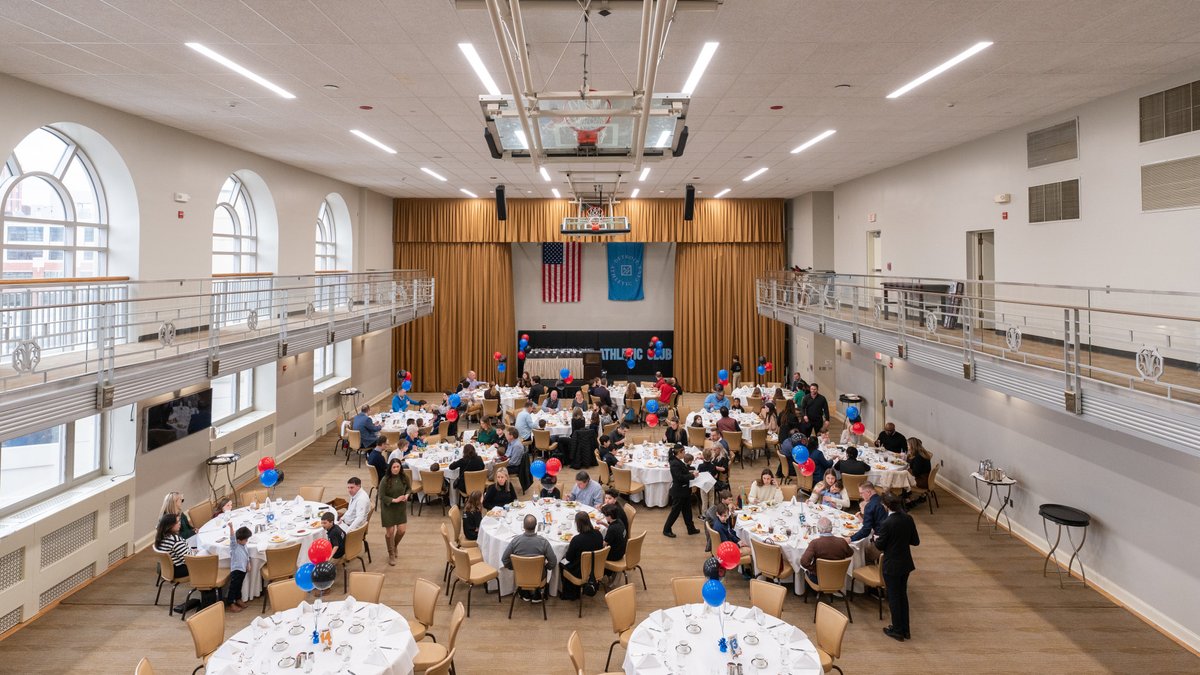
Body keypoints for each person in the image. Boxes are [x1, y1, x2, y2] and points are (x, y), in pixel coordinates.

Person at [875, 493, 920, 641]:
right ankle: (906, 629)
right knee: (902, 595)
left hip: (892, 565)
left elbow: (880, 545)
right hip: (905, 563)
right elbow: (915, 541)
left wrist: (876, 539)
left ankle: (897, 630)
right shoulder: (908, 518)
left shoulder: (887, 523)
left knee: (894, 597)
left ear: (886, 506)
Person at [502, 514, 558, 601]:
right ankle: (537, 595)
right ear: (536, 526)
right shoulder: (543, 542)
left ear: (523, 526)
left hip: (521, 576)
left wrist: (514, 568)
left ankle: (524, 594)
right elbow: (553, 562)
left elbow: (504, 559)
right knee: (543, 570)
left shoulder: (515, 541)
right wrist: (545, 567)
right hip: (539, 577)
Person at [560, 511, 605, 600]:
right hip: (596, 567)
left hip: (580, 571)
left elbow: (569, 558)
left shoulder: (577, 540)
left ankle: (570, 593)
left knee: (560, 562)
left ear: (578, 525)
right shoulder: (598, 534)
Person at [378, 458, 412, 566]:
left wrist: (406, 495)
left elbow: (409, 489)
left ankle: (394, 545)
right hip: (388, 507)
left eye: (398, 467)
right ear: (390, 468)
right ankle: (391, 554)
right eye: (394, 467)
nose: (396, 469)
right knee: (390, 532)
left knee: (401, 531)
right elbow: (382, 496)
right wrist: (394, 500)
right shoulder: (385, 479)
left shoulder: (404, 477)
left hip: (400, 507)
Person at [799, 517, 854, 583]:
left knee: (803, 571)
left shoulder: (814, 543)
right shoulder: (842, 541)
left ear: (818, 530)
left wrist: (814, 569)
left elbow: (804, 562)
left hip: (818, 578)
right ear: (832, 528)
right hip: (838, 576)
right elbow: (850, 553)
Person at [662, 444, 699, 538]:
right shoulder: (675, 463)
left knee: (687, 511)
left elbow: (683, 473)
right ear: (679, 452)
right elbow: (679, 478)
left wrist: (690, 473)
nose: (685, 453)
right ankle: (666, 529)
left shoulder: (677, 461)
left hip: (684, 491)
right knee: (675, 512)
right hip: (679, 492)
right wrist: (692, 476)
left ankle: (691, 529)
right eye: (684, 452)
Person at [711, 503, 751, 577]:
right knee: (750, 549)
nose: (725, 518)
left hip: (729, 546)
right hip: (727, 553)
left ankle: (746, 569)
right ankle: (748, 571)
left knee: (746, 543)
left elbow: (730, 533)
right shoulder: (719, 527)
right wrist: (738, 545)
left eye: (726, 515)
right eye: (723, 516)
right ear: (717, 514)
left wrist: (738, 540)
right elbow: (726, 546)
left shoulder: (724, 521)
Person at [849, 482, 886, 555]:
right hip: (893, 538)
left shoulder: (870, 506)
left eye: (861, 493)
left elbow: (866, 530)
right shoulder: (883, 499)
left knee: (864, 554)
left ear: (868, 492)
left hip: (882, 541)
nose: (860, 495)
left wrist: (851, 538)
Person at [222, 523, 253, 612]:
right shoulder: (234, 545)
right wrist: (231, 527)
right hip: (236, 570)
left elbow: (247, 555)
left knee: (239, 586)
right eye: (245, 539)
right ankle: (231, 602)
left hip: (243, 569)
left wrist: (248, 564)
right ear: (239, 540)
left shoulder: (244, 545)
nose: (247, 541)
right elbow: (232, 537)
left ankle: (238, 599)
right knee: (233, 587)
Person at [504, 426, 530, 491]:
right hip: (509, 462)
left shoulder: (516, 446)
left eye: (507, 434)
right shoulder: (511, 442)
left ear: (511, 436)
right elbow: (507, 454)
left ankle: (501, 488)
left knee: (496, 469)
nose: (505, 436)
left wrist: (502, 464)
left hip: (515, 467)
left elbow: (514, 462)